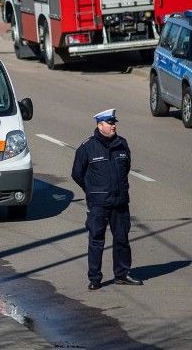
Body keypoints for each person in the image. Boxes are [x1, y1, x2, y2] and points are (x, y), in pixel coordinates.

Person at [71, 108, 143, 291]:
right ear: (99, 125)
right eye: (110, 123)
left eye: (114, 123)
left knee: (122, 239)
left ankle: (122, 274)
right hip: (98, 203)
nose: (114, 126)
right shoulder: (87, 147)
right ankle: (95, 278)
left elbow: (126, 167)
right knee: (96, 239)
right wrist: (92, 191)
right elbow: (77, 174)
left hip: (119, 201)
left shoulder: (122, 144)